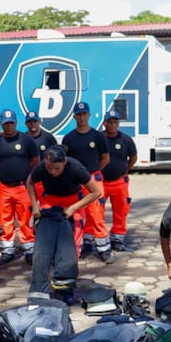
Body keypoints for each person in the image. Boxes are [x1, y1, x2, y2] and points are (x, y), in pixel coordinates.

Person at [27, 145, 101, 303]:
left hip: (72, 202)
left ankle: (65, 287)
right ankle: (39, 290)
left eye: (56, 168)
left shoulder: (76, 168)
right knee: (42, 251)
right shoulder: (41, 167)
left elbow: (96, 192)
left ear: (64, 162)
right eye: (49, 168)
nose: (52, 172)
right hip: (50, 203)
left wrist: (73, 208)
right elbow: (30, 182)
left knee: (69, 252)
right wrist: (35, 205)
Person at [62, 101, 112, 263]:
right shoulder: (68, 138)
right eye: (79, 114)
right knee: (77, 216)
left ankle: (104, 250)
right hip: (75, 182)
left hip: (93, 179)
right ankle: (79, 248)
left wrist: (93, 171)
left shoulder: (98, 137)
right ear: (74, 116)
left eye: (84, 114)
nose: (82, 117)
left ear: (89, 115)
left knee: (97, 214)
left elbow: (105, 158)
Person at [0, 109, 39, 264]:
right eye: (6, 124)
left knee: (25, 218)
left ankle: (29, 248)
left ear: (16, 123)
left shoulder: (26, 140)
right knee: (5, 219)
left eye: (11, 123)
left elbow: (35, 161)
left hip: (22, 187)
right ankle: (7, 250)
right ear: (1, 124)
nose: (9, 126)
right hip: (3, 187)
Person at [101, 110, 137, 252]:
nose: (112, 124)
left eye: (115, 122)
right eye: (109, 122)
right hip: (101, 183)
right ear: (104, 123)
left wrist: (124, 170)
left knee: (121, 210)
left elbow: (133, 158)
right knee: (96, 212)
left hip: (119, 182)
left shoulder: (126, 139)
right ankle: (99, 239)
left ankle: (117, 239)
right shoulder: (99, 138)